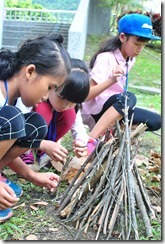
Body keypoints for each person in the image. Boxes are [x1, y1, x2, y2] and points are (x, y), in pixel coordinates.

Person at [0, 33, 71, 222]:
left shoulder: (14, 100)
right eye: (49, 87)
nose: (47, 96)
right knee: (12, 119)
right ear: (30, 71)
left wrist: (32, 175)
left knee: (34, 124)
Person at [77, 13, 161, 155]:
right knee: (128, 98)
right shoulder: (106, 58)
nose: (139, 49)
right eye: (136, 44)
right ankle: (91, 140)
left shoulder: (130, 60)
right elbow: (86, 96)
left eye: (143, 45)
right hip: (97, 110)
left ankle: (113, 134)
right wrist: (111, 80)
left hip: (118, 107)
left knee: (156, 121)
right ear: (122, 37)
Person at [17, 58, 90, 168]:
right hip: (23, 139)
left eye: (72, 102)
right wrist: (39, 143)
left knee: (69, 115)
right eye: (61, 98)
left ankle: (45, 152)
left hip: (46, 139)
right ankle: (25, 152)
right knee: (42, 113)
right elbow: (17, 124)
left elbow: (79, 128)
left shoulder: (70, 108)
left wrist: (80, 142)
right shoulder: (35, 97)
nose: (65, 105)